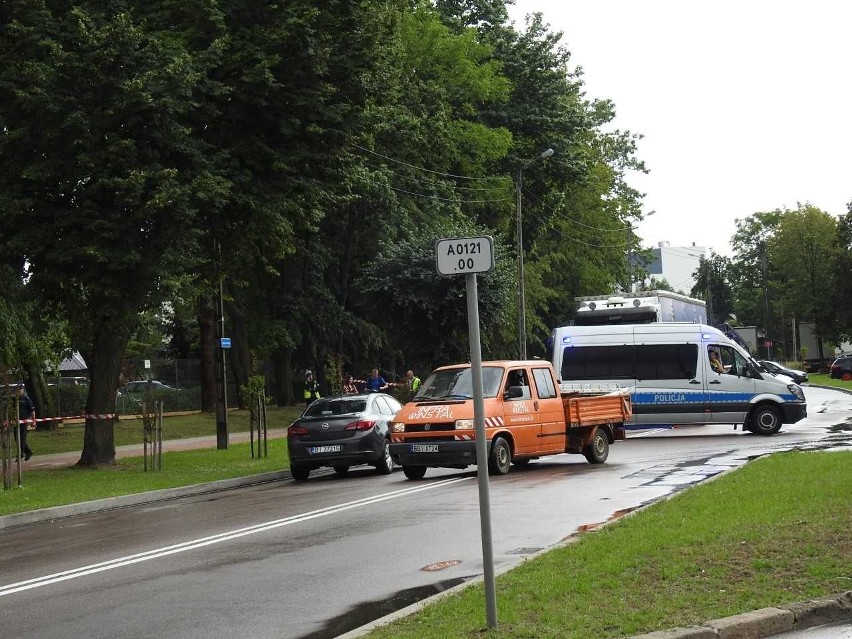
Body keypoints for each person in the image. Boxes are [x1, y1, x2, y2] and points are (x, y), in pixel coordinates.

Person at [15, 385, 35, 461]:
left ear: (23, 391)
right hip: (16, 422)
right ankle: (28, 451)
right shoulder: (15, 399)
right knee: (17, 438)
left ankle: (20, 454)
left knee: (22, 438)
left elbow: (32, 410)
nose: (19, 391)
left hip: (24, 421)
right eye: (18, 389)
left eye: (21, 389)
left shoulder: (26, 399)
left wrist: (33, 421)